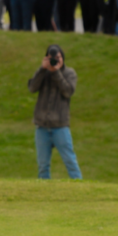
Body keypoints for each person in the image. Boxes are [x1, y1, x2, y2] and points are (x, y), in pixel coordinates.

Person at [28, 45, 81, 180]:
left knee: (70, 161)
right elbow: (32, 88)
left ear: (62, 58)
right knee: (43, 165)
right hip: (42, 126)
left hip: (60, 126)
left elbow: (68, 91)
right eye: (52, 58)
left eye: (58, 58)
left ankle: (80, 189)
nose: (55, 61)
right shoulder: (43, 72)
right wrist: (42, 69)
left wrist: (56, 72)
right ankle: (44, 192)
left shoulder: (69, 73)